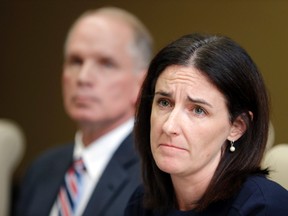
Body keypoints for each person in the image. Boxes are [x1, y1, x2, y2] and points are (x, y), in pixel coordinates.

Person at [124, 33, 288, 216]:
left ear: (237, 127)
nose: (169, 126)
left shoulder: (266, 208)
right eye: (164, 103)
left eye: (198, 110)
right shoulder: (143, 202)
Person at [15, 6, 153, 216]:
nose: (83, 78)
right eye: (75, 61)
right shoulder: (41, 169)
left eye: (106, 64)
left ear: (141, 84)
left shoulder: (154, 175)